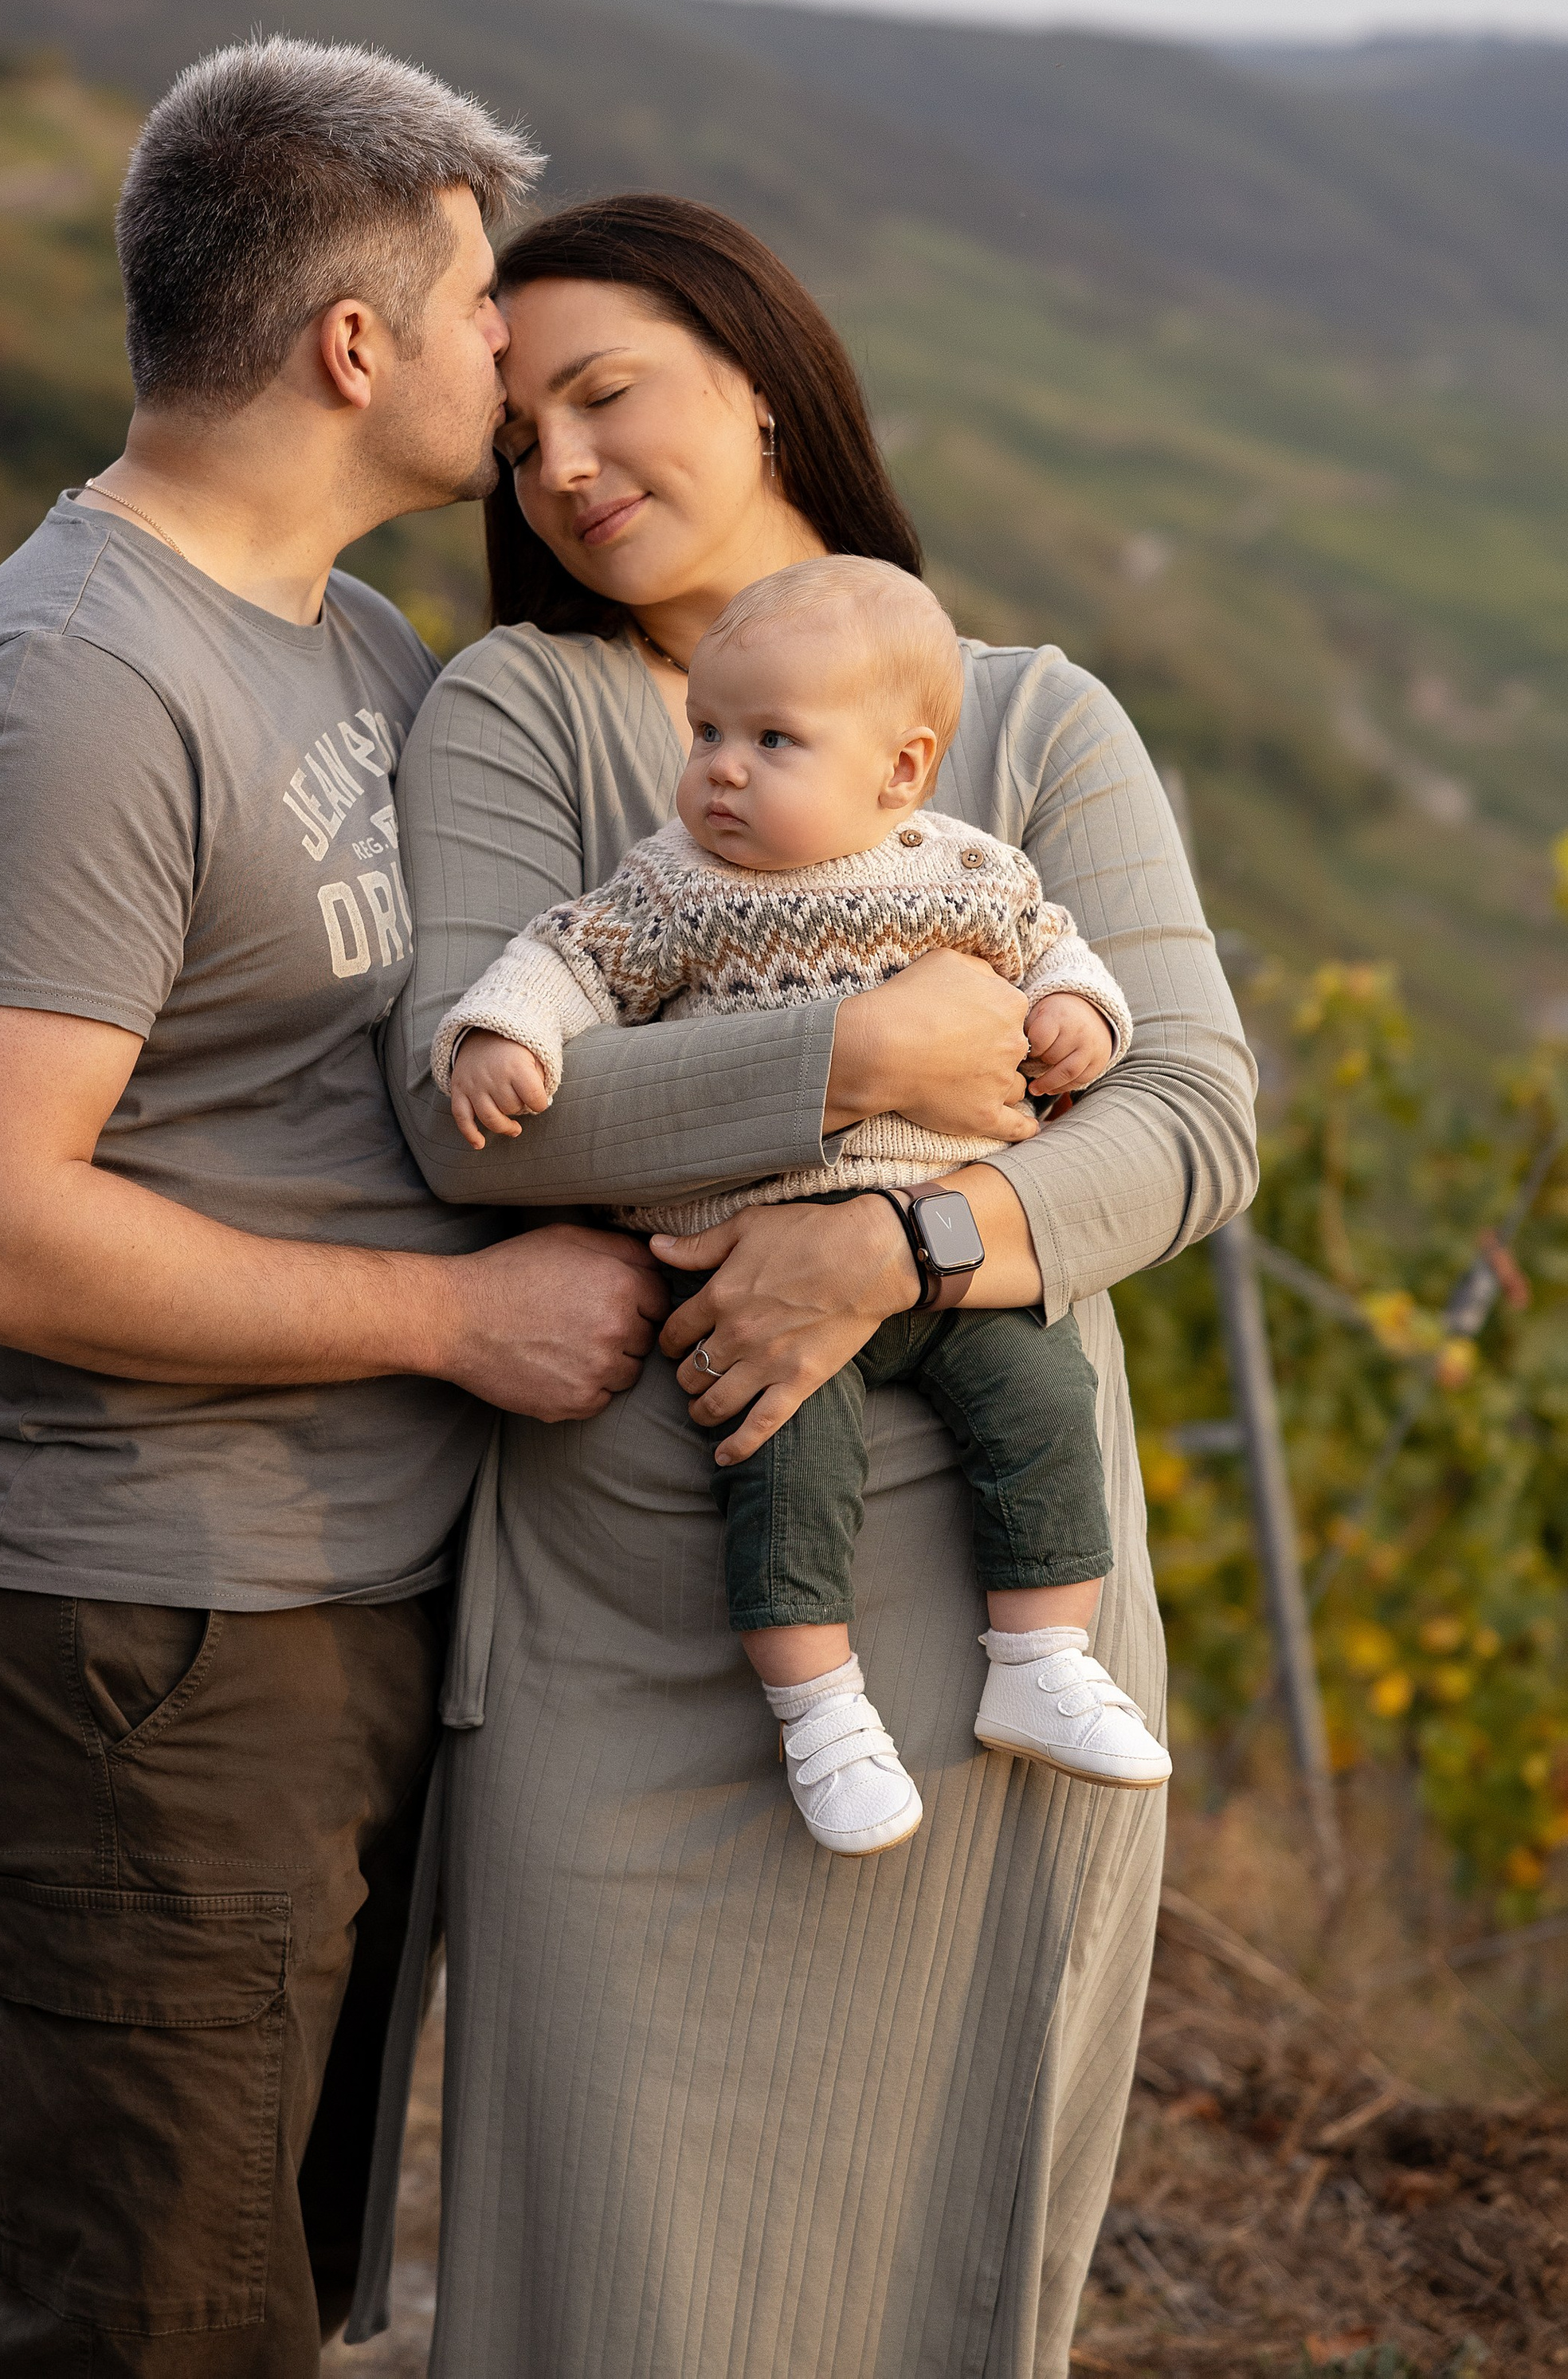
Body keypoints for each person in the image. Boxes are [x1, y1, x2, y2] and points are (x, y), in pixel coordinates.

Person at [384, 194, 1258, 2379]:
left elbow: (1188, 1119)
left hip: (995, 1626)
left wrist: (891, 1244)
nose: (561, 463)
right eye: (516, 433)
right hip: (624, 1627)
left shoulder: (1030, 723)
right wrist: (859, 1059)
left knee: (931, 2264)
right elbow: (472, 1116)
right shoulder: (515, 708)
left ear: (763, 377)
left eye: (606, 392)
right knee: (605, 2268)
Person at [0, 41, 664, 2379]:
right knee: (155, 2319)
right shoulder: (78, 687)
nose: (505, 349)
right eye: (479, 303)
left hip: (315, 1598)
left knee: (261, 2297)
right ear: (350, 344)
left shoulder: (344, 638)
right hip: (148, 1618)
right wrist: (457, 1326)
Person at [431, 554, 1170, 1856]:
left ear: (900, 771)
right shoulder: (675, 888)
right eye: (707, 732)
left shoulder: (968, 870)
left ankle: (1043, 1659)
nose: (722, 769)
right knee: (787, 1472)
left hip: (948, 1260)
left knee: (1048, 1408)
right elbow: (564, 958)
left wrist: (1077, 1016)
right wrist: (504, 1032)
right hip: (751, 1283)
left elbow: (1064, 952)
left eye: (772, 740)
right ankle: (820, 1712)